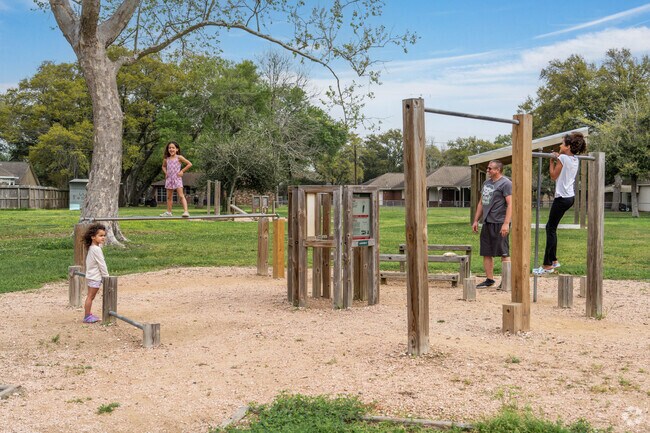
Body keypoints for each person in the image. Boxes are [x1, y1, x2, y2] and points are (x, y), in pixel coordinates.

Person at [534, 132, 587, 275]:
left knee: (550, 228)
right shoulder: (575, 159)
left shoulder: (563, 157)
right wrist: (558, 157)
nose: (560, 145)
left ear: (568, 146)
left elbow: (553, 176)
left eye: (562, 144)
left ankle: (547, 265)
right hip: (569, 197)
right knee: (552, 228)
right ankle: (554, 260)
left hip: (562, 198)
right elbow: (563, 165)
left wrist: (551, 161)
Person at [472, 160, 512, 288]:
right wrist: (476, 220)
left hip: (499, 222)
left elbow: (510, 204)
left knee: (504, 252)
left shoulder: (506, 183)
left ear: (497, 170)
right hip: (487, 222)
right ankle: (489, 280)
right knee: (486, 252)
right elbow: (481, 202)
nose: (487, 171)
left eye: (490, 169)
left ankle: (507, 281)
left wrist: (506, 224)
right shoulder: (486, 183)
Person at [83, 223, 109, 323]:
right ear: (93, 237)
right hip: (95, 277)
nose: (103, 238)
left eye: (104, 235)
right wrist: (106, 277)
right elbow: (102, 264)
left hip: (91, 275)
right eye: (100, 235)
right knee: (90, 296)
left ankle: (88, 314)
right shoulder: (97, 249)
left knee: (90, 296)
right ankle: (87, 316)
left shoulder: (91, 247)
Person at [160, 141, 192, 217]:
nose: (171, 149)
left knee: (181, 196)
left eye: (173, 148)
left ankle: (186, 212)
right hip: (169, 179)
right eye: (169, 148)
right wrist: (166, 172)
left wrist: (182, 171)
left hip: (177, 179)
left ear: (177, 149)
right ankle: (168, 212)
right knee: (169, 197)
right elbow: (163, 166)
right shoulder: (166, 159)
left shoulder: (179, 157)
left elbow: (189, 164)